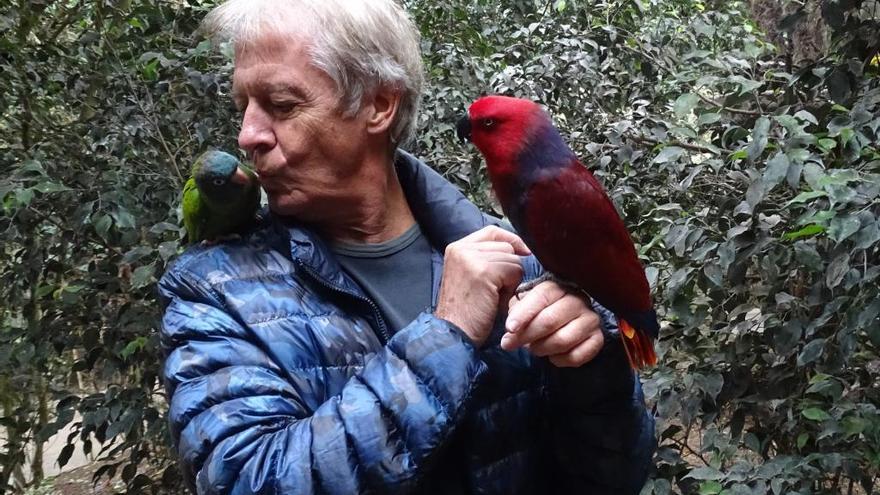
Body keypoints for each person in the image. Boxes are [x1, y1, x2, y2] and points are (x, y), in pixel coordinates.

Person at [158, 0, 656, 493]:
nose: (248, 136)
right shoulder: (211, 291)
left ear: (379, 105)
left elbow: (612, 477)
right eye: (242, 107)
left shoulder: (518, 259)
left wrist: (593, 370)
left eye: (283, 106)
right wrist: (447, 334)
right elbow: (246, 482)